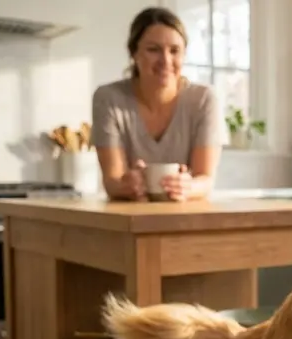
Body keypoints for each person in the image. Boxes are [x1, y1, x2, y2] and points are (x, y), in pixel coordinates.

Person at [91, 7, 222, 202]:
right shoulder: (108, 98)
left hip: (185, 214)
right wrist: (127, 184)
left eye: (175, 51)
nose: (166, 60)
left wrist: (187, 186)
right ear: (134, 54)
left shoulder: (204, 99)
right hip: (129, 217)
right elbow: (112, 181)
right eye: (153, 49)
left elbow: (205, 179)